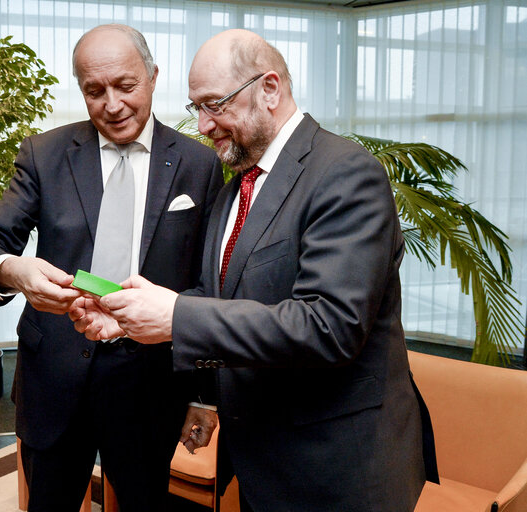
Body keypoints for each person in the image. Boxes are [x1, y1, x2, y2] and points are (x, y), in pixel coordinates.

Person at [70, 29, 439, 511]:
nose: (202, 125)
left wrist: (177, 316)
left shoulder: (345, 173)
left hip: (338, 469)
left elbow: (329, 326)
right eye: (195, 107)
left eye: (214, 104)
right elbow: (221, 294)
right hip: (263, 460)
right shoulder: (236, 188)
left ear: (269, 89)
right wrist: (133, 319)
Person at [0, 24, 224, 511]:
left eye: (126, 86)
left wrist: (204, 394)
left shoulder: (198, 164)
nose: (113, 105)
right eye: (94, 92)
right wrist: (17, 271)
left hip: (151, 380)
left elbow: (209, 285)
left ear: (153, 76)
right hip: (54, 375)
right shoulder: (45, 154)